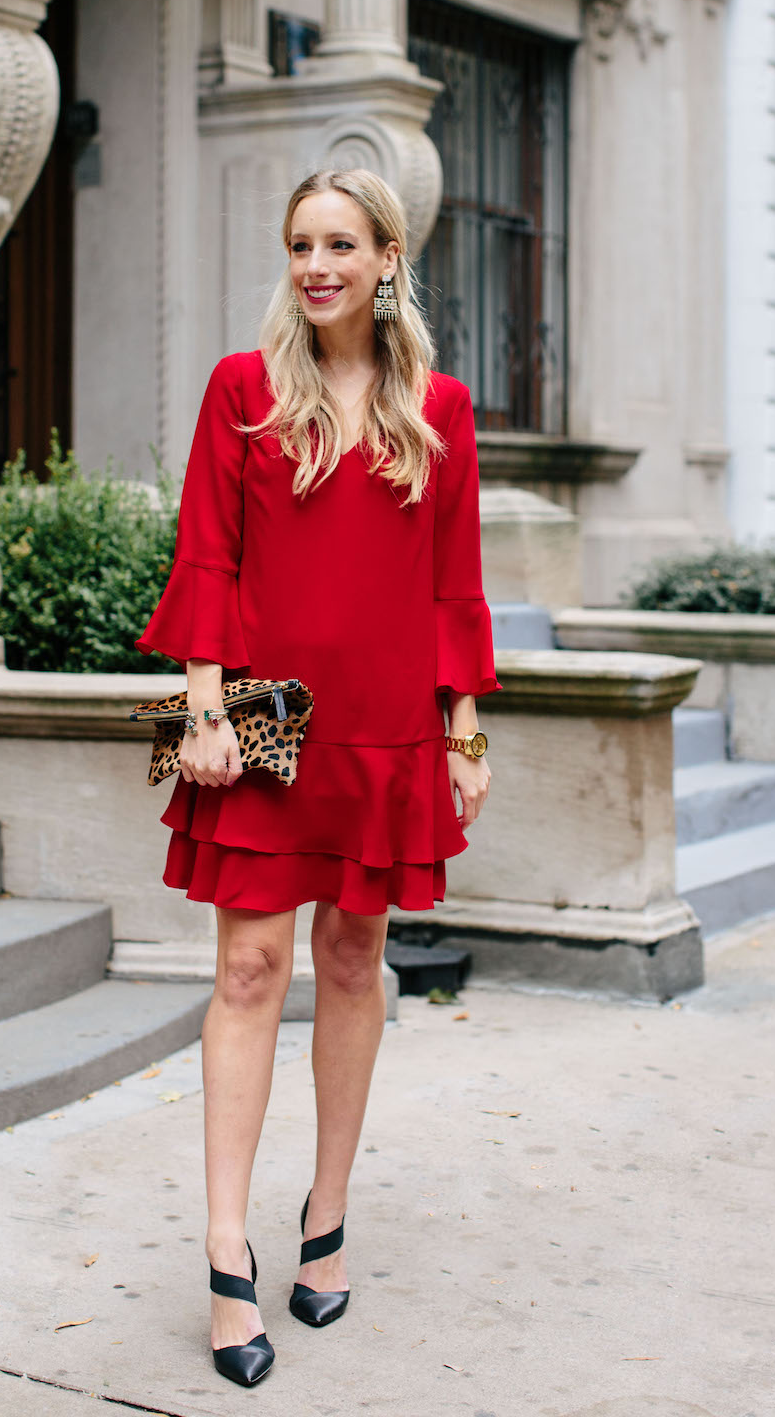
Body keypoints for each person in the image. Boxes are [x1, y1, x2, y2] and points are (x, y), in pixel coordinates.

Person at [135, 166, 498, 1388]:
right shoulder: (245, 390)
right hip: (266, 726)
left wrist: (464, 735)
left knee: (353, 956)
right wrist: (201, 707)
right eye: (300, 243)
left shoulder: (440, 406)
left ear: (388, 256)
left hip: (389, 730)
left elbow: (454, 584)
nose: (316, 264)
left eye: (341, 242)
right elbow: (210, 554)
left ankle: (325, 1215)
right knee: (247, 967)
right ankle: (227, 1248)